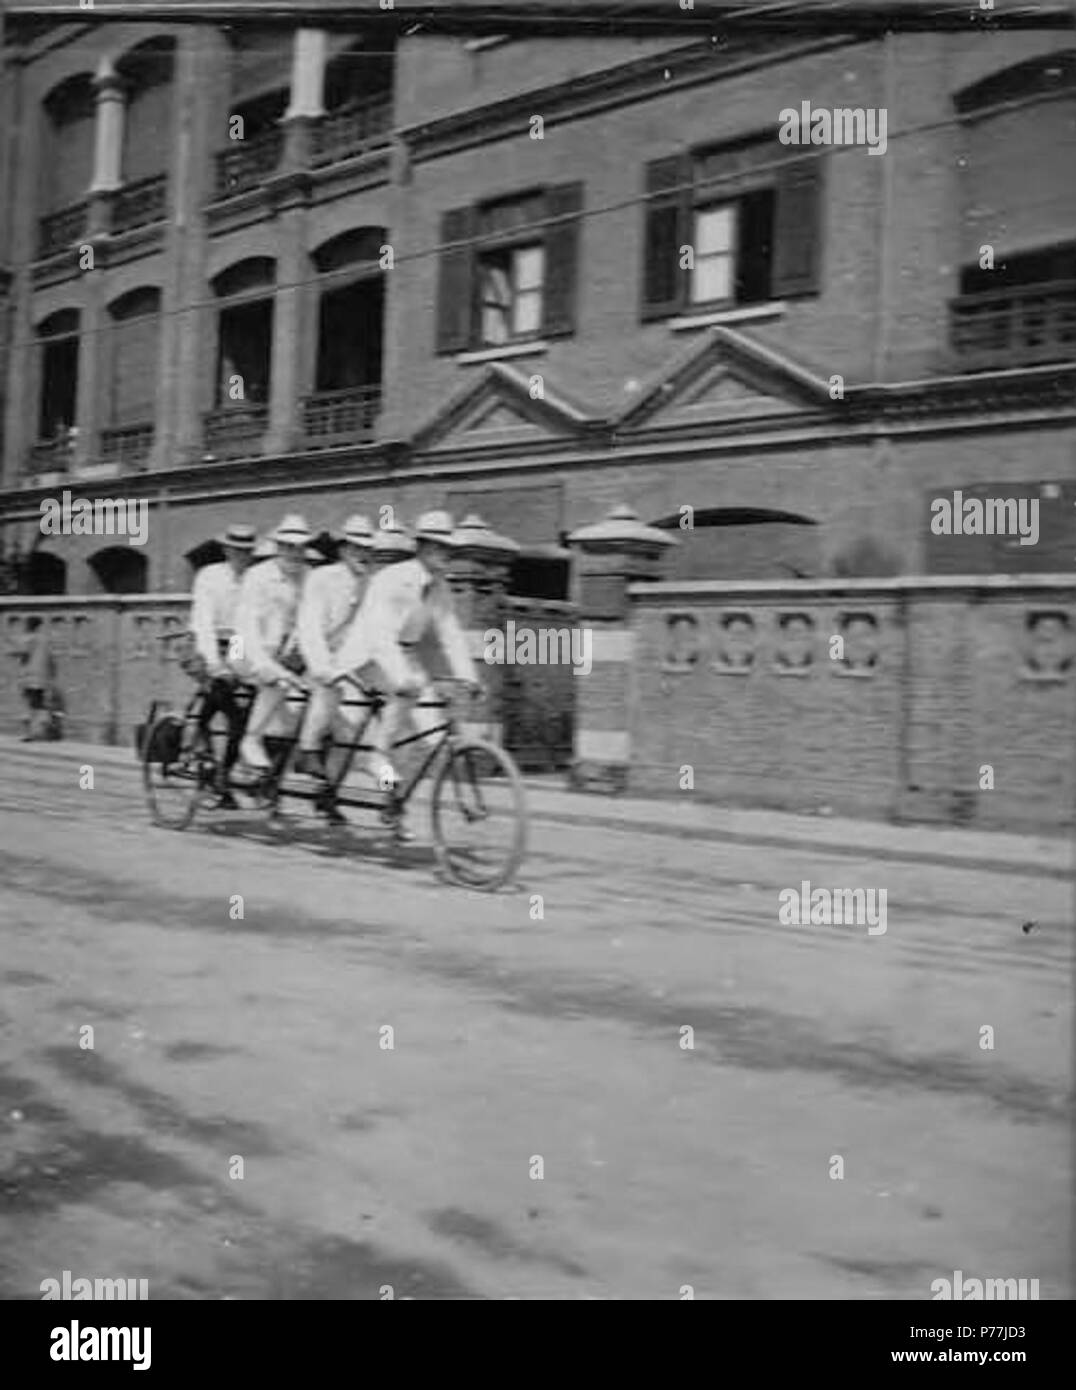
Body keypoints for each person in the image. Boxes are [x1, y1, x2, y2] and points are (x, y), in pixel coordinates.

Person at [332, 510, 482, 836]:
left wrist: (469, 677)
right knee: (401, 705)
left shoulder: (440, 588)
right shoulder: (393, 578)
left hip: (406, 656)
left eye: (450, 550)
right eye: (441, 548)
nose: (447, 556)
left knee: (433, 738)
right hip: (369, 658)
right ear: (424, 548)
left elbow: (450, 633)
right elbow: (380, 635)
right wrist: (401, 678)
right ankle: (378, 758)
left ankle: (394, 802)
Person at [293, 513, 377, 824]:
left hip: (349, 663)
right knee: (326, 690)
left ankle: (327, 794)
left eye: (368, 549)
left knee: (353, 731)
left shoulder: (371, 584)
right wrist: (323, 668)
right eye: (356, 548)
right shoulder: (322, 578)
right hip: (311, 657)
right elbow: (309, 628)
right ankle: (308, 750)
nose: (363, 555)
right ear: (343, 550)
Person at [233, 514, 313, 772]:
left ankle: (295, 755)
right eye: (288, 547)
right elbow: (246, 628)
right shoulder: (257, 576)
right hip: (245, 649)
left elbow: (309, 622)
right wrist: (269, 666)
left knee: (314, 692)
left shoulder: (309, 577)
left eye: (299, 548)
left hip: (285, 654)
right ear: (278, 548)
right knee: (276, 681)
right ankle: (251, 739)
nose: (294, 554)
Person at [188, 522, 256, 806]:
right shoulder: (210, 576)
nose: (241, 556)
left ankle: (222, 774)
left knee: (246, 706)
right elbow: (203, 624)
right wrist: (216, 665)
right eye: (236, 550)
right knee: (226, 700)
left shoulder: (253, 579)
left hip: (235, 644)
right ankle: (199, 748)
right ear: (226, 550)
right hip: (205, 643)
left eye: (247, 551)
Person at [19, 616, 57, 741]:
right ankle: (46, 729)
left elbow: (21, 652)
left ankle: (29, 734)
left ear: (29, 626)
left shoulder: (29, 638)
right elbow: (51, 660)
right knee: (41, 703)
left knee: (28, 703)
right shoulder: (46, 640)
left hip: (30, 676)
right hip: (43, 676)